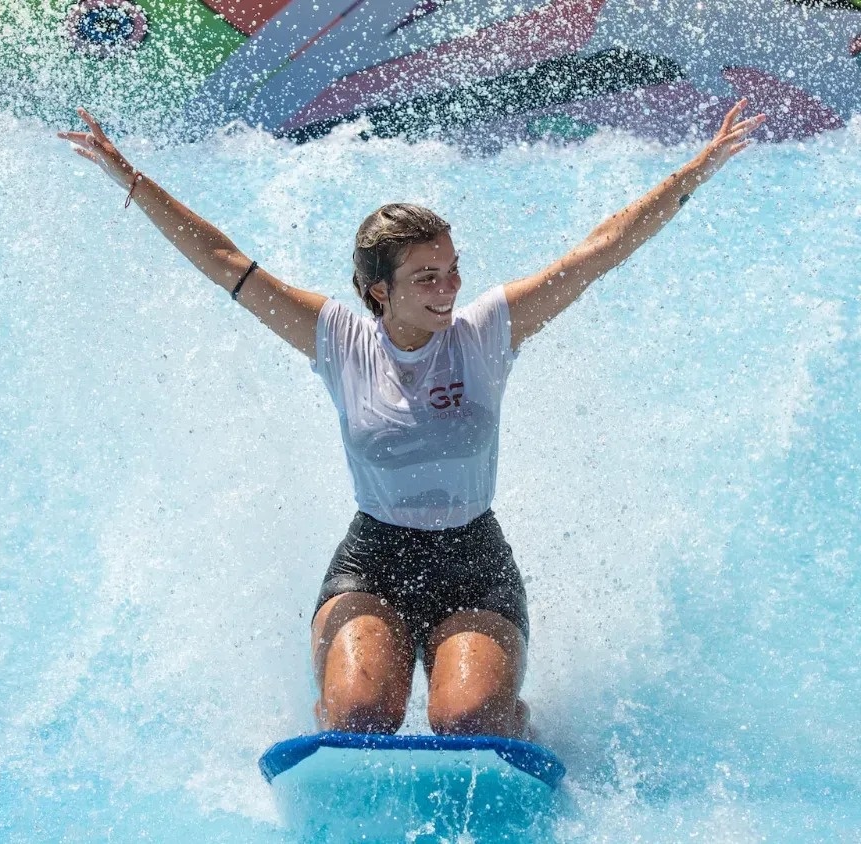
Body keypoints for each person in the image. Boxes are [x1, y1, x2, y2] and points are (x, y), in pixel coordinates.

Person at [60, 102, 763, 739]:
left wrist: (694, 172)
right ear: (378, 290)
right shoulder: (335, 336)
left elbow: (597, 252)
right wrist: (132, 181)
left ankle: (522, 729)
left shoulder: (487, 330)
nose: (449, 287)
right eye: (427, 277)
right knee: (361, 717)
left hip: (473, 558)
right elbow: (225, 263)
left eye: (452, 269)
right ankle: (333, 729)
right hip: (375, 559)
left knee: (469, 720)